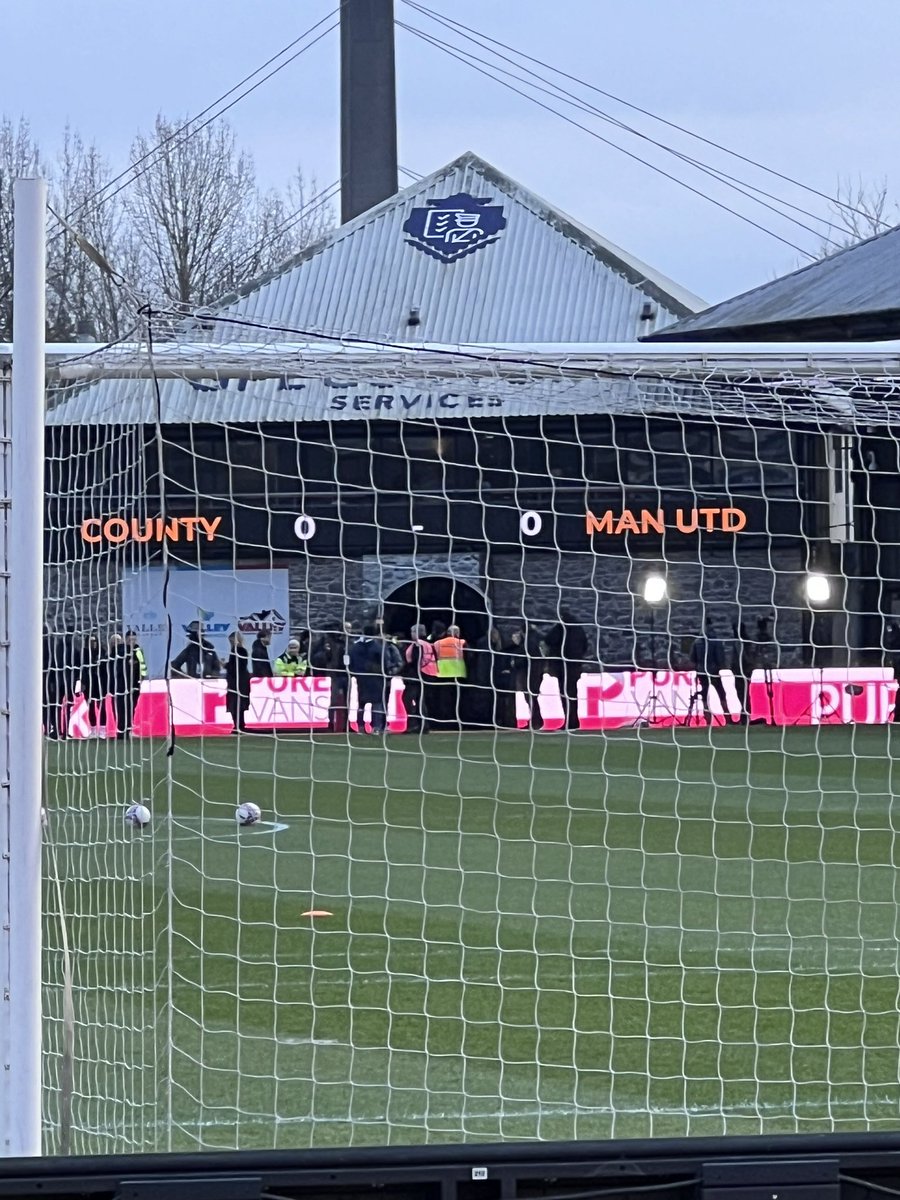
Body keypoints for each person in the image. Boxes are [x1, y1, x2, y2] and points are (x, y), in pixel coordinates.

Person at [349, 624, 400, 735]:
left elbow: (350, 662)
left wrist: (355, 673)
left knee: (362, 704)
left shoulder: (354, 647)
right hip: (376, 678)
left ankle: (361, 727)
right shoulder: (379, 647)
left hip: (361, 679)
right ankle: (376, 727)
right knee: (377, 703)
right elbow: (385, 662)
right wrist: (387, 672)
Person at [544, 610, 588, 730]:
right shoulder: (579, 629)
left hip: (563, 666)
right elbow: (585, 645)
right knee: (573, 695)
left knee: (565, 695)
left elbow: (549, 640)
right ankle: (574, 721)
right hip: (575, 666)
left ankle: (569, 721)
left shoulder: (560, 628)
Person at [690, 618, 730, 725]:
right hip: (713, 670)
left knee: (704, 694)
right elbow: (720, 657)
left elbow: (692, 658)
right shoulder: (715, 641)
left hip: (701, 670)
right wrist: (722, 666)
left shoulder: (697, 642)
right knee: (721, 693)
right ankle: (727, 717)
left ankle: (707, 718)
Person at [506, 623, 546, 730]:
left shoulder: (528, 642)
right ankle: (536, 720)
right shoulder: (536, 639)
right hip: (536, 672)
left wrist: (515, 663)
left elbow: (524, 658)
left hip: (530, 674)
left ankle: (536, 721)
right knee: (532, 697)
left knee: (530, 697)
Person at [309, 627, 349, 732]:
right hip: (330, 676)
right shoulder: (324, 644)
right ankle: (331, 724)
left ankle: (341, 724)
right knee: (333, 701)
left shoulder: (343, 643)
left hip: (339, 675)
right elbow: (316, 659)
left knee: (342, 702)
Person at [404, 624, 438, 733]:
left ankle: (417, 725)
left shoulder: (417, 644)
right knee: (421, 701)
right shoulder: (428, 644)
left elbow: (415, 661)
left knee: (413, 700)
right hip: (429, 674)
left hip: (419, 675)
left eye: (412, 632)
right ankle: (424, 725)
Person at [433, 624, 467, 729]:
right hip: (458, 675)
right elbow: (470, 656)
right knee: (457, 701)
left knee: (443, 700)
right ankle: (457, 722)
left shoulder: (437, 643)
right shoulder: (462, 642)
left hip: (442, 675)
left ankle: (443, 723)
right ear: (457, 633)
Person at [80, 631, 108, 737]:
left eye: (95, 641)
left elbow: (106, 669)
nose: (93, 644)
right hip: (89, 684)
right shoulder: (84, 653)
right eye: (91, 642)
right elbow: (82, 669)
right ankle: (92, 729)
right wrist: (83, 683)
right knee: (91, 706)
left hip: (101, 683)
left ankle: (102, 729)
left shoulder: (102, 652)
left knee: (102, 706)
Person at [225, 631, 252, 733]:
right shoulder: (242, 651)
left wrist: (226, 666)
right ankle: (240, 725)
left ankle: (238, 725)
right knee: (240, 705)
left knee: (235, 704)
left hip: (237, 682)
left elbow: (236, 667)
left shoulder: (237, 650)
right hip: (242, 681)